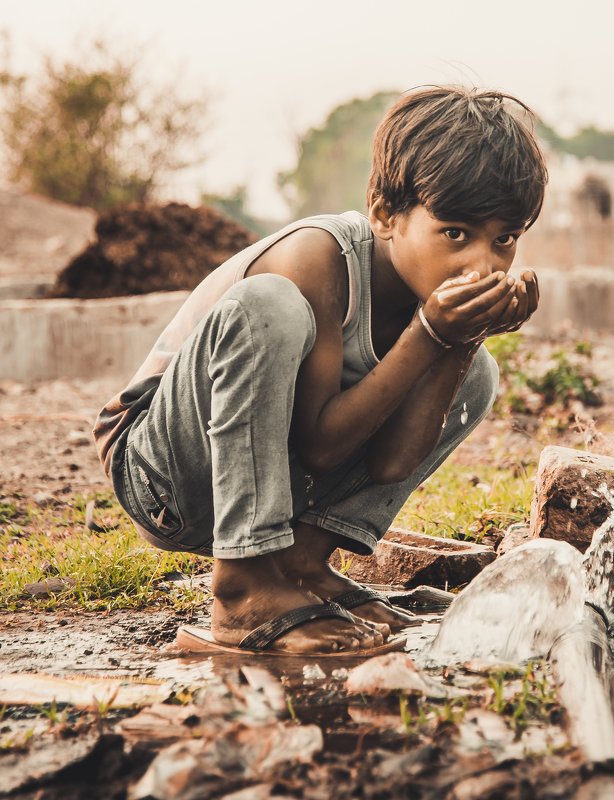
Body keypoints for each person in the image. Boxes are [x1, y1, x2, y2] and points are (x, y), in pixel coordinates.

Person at [93, 86, 547, 658]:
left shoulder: (430, 292)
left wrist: (458, 341)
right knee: (268, 307)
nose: (481, 263)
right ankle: (243, 588)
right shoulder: (316, 258)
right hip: (165, 473)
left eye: (503, 239)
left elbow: (390, 463)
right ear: (386, 214)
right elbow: (322, 448)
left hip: (272, 480)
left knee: (475, 373)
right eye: (455, 233)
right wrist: (430, 333)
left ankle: (300, 564)